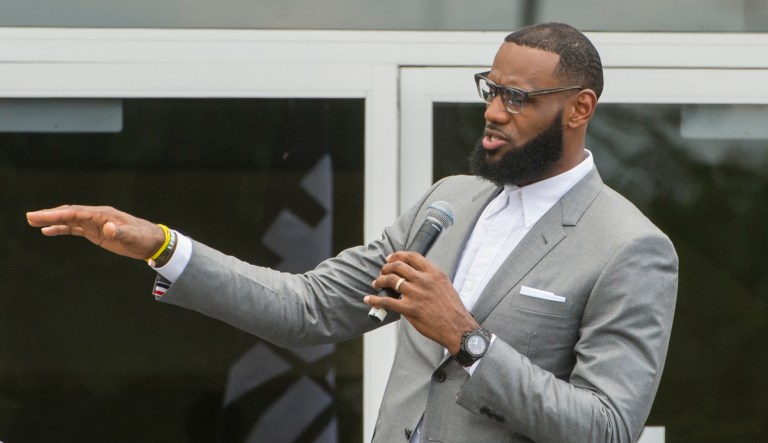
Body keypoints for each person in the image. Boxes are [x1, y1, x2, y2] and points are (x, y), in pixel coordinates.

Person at [26, 23, 678, 443]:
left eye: (518, 98)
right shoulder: (449, 202)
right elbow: (307, 309)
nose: (491, 111)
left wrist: (469, 340)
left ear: (580, 108)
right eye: (490, 89)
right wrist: (163, 245)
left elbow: (608, 427)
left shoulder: (628, 246)